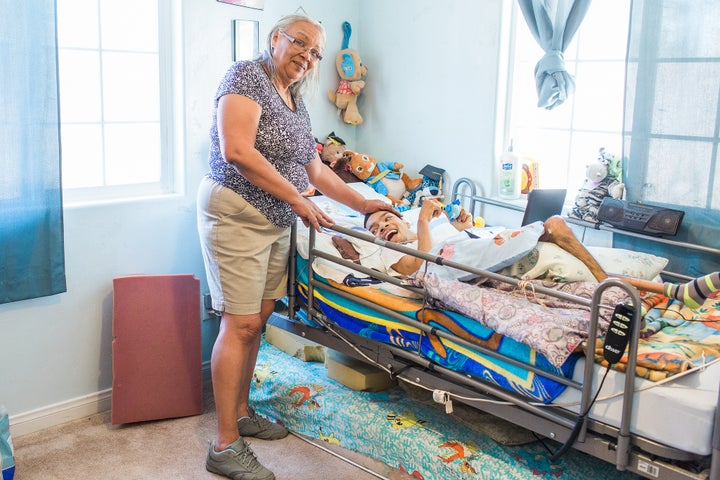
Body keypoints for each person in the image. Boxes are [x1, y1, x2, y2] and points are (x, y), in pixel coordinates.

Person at [196, 14, 394, 480]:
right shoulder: (246, 75)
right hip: (237, 211)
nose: (308, 55)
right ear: (275, 39)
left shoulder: (297, 102)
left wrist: (365, 203)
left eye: (315, 51)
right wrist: (297, 201)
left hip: (276, 219)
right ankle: (224, 444)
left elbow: (318, 173)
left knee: (258, 321)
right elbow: (237, 151)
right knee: (239, 323)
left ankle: (242, 413)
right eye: (300, 42)